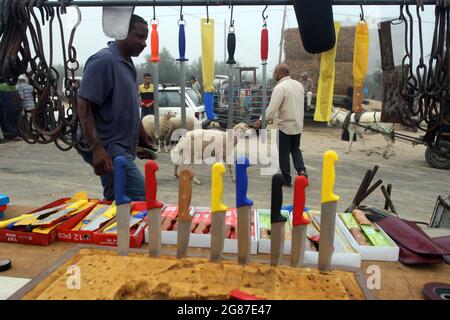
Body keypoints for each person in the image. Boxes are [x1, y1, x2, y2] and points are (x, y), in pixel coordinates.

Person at [77, 14, 156, 201]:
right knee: (141, 196)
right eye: (139, 36)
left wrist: (144, 140)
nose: (144, 43)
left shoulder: (128, 64)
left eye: (146, 38)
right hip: (108, 148)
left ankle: (114, 228)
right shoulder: (104, 61)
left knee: (117, 197)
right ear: (122, 33)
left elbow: (130, 109)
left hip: (120, 148)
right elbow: (83, 105)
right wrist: (96, 149)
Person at [255, 64, 307, 187]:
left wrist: (261, 120)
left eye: (275, 72)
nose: (274, 75)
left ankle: (286, 179)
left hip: (285, 125)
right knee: (295, 149)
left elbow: (272, 107)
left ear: (280, 73)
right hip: (298, 124)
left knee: (283, 153)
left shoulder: (280, 87)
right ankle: (302, 172)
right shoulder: (299, 85)